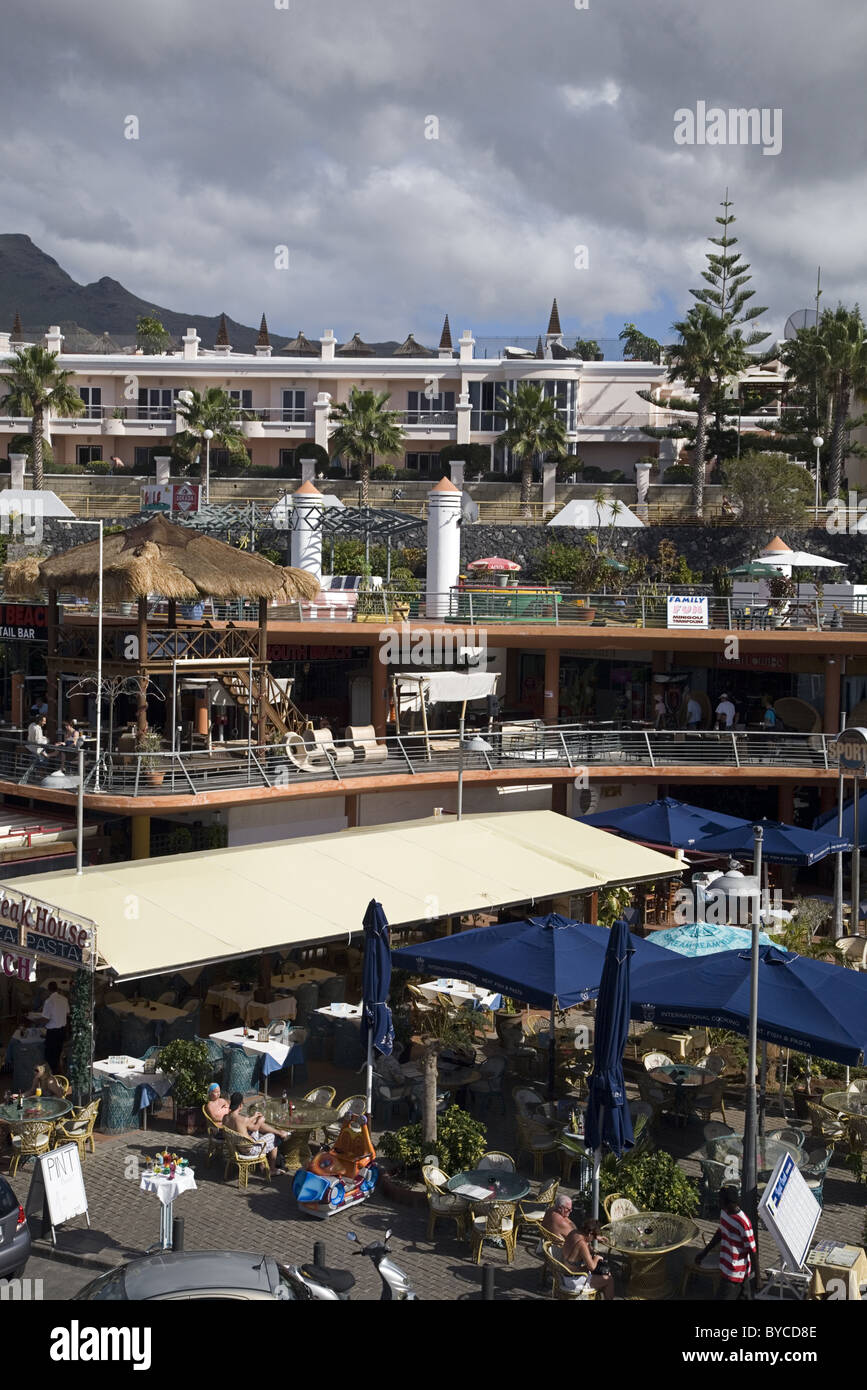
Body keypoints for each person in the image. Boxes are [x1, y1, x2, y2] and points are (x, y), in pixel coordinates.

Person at [696, 1186, 756, 1300]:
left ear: (728, 1203)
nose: (718, 1202)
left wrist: (757, 1278)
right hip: (726, 1266)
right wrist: (704, 1253)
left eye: (720, 1200)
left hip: (735, 1273)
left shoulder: (743, 1223)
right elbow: (720, 1233)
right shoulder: (724, 1212)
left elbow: (752, 1251)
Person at [223, 1092, 289, 1174]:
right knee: (275, 1137)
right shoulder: (242, 1120)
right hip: (249, 1150)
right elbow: (255, 1128)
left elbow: (247, 1123)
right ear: (240, 1105)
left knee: (254, 1123)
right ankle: (272, 1169)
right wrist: (260, 1121)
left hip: (236, 1148)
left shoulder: (225, 1118)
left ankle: (262, 1164)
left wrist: (254, 1117)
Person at [558, 1215, 615, 1300]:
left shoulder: (574, 1232)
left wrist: (596, 1237)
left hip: (566, 1273)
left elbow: (586, 1238)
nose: (592, 1240)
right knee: (609, 1279)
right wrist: (597, 1258)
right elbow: (592, 1267)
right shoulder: (582, 1244)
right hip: (574, 1280)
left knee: (605, 1274)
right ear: (589, 1233)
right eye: (593, 1237)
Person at [38, 980, 69, 1071]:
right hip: (62, 1030)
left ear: (48, 990)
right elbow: (67, 1014)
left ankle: (53, 1075)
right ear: (57, 988)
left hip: (53, 1032)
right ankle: (58, 1072)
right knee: (59, 1052)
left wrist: (39, 1024)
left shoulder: (49, 1001)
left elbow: (46, 1018)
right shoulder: (64, 999)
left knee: (50, 1055)